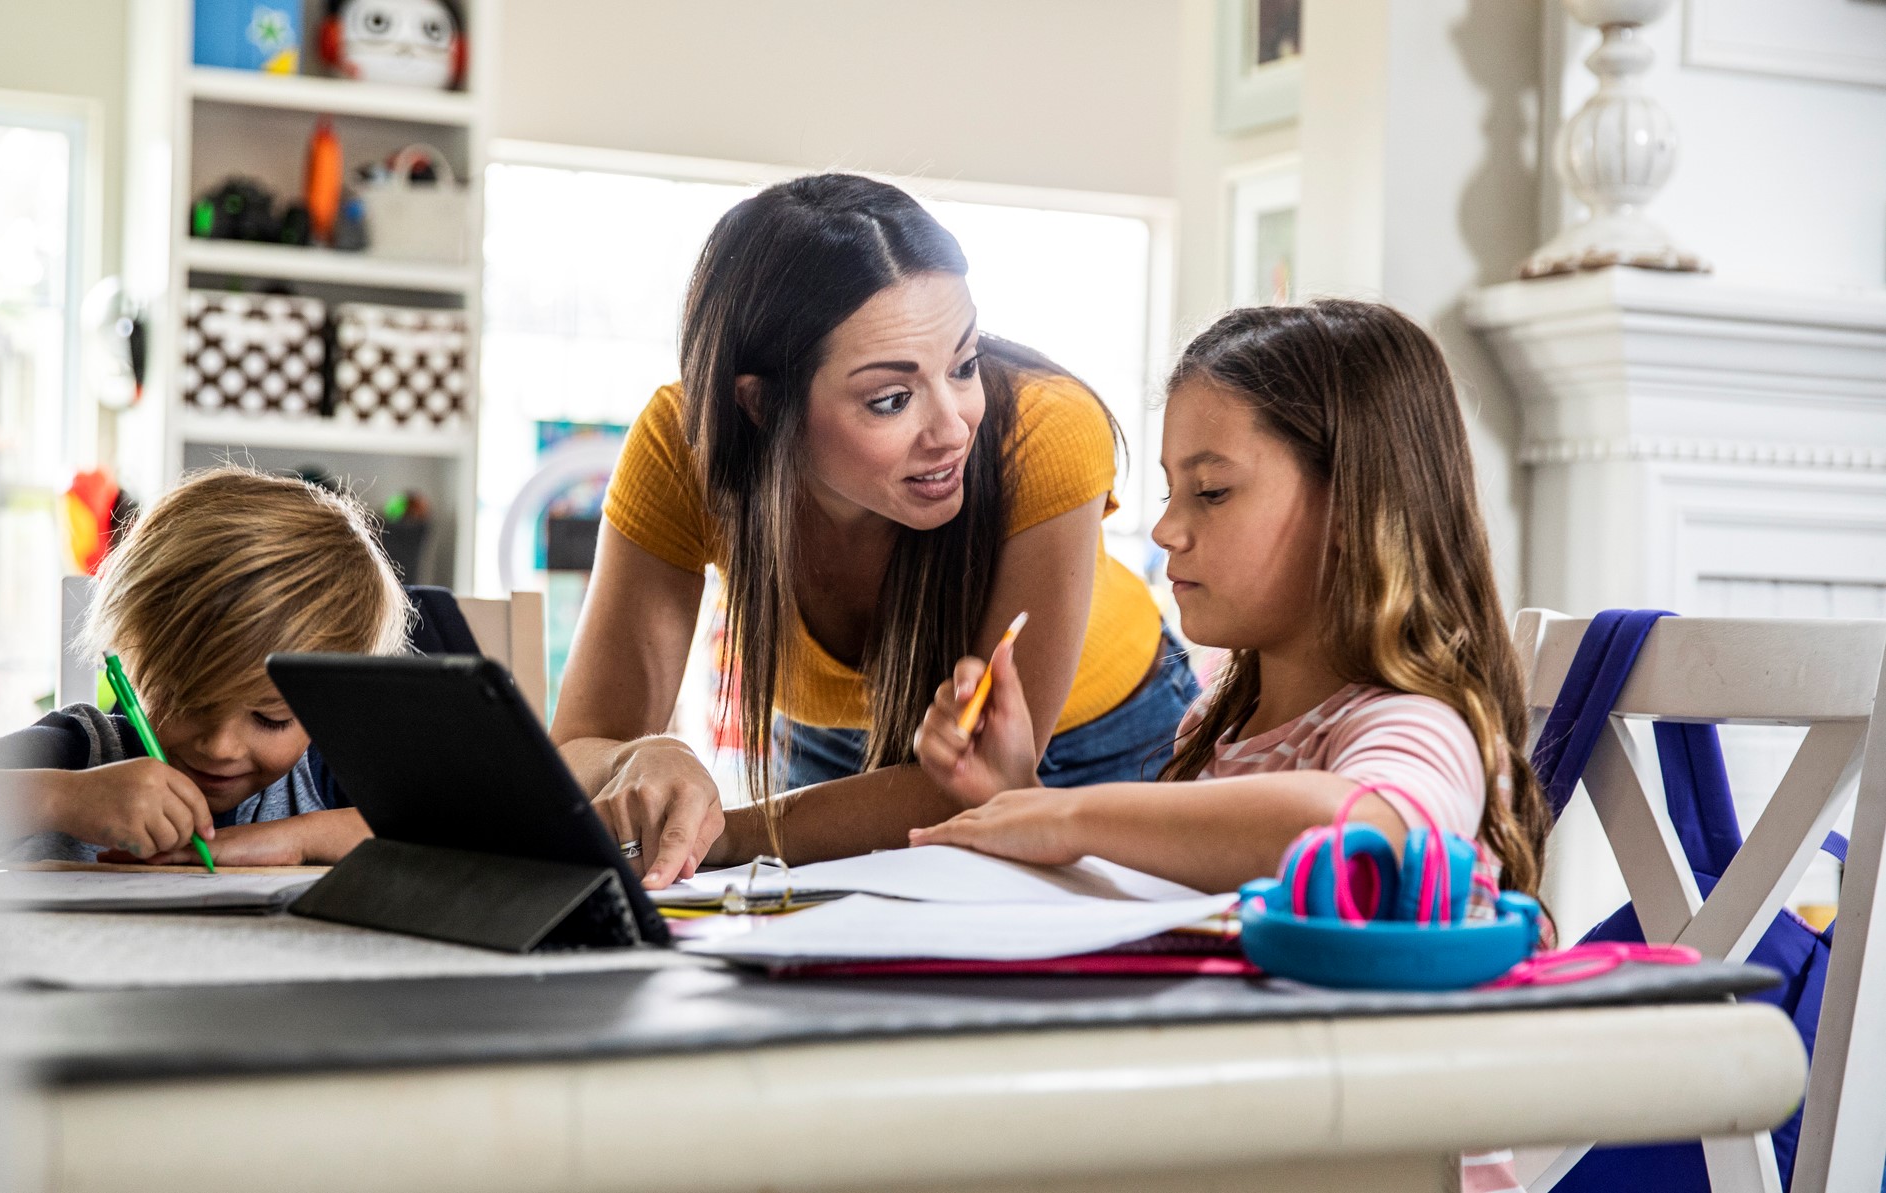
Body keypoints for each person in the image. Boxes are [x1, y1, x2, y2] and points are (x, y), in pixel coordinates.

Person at [555, 173, 1197, 888]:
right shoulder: (685, 448)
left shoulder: (1048, 428)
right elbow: (579, 748)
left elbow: (972, 779)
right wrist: (638, 755)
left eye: (965, 365)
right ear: (759, 406)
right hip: (831, 763)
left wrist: (727, 831)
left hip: (1106, 748)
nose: (953, 428)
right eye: (891, 399)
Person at [910, 299, 1552, 905]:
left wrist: (1070, 814)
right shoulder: (1216, 724)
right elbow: (1165, 904)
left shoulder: (1419, 725)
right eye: (1171, 493)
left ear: (1353, 507)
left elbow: (1364, 835)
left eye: (1212, 491)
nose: (1166, 531)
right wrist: (1016, 793)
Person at [0, 466, 408, 866]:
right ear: (132, 652)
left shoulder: (324, 771)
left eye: (270, 718)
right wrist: (64, 798)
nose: (220, 747)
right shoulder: (85, 752)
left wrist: (296, 839)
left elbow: (443, 837)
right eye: (188, 701)